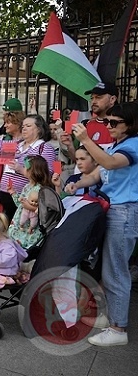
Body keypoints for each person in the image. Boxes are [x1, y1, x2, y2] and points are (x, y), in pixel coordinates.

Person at [67, 102, 138, 347]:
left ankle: (118, 328)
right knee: (105, 266)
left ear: (131, 124)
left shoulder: (133, 145)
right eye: (107, 121)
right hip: (111, 209)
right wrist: (77, 183)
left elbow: (108, 164)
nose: (109, 126)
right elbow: (98, 173)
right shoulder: (119, 144)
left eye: (114, 123)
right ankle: (110, 317)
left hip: (124, 211)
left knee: (115, 270)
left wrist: (86, 140)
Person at [0, 114, 55, 221]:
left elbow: (47, 175)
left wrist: (21, 170)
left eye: (28, 126)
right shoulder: (17, 144)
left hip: (27, 199)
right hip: (5, 195)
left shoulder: (44, 148)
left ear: (39, 129)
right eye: (23, 126)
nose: (24, 128)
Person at [6, 155, 52, 249]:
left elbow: (43, 210)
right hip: (18, 225)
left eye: (26, 168)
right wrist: (13, 193)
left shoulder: (40, 189)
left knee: (22, 249)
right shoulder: (27, 186)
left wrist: (29, 207)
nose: (24, 169)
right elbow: (20, 205)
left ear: (33, 171)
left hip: (29, 230)